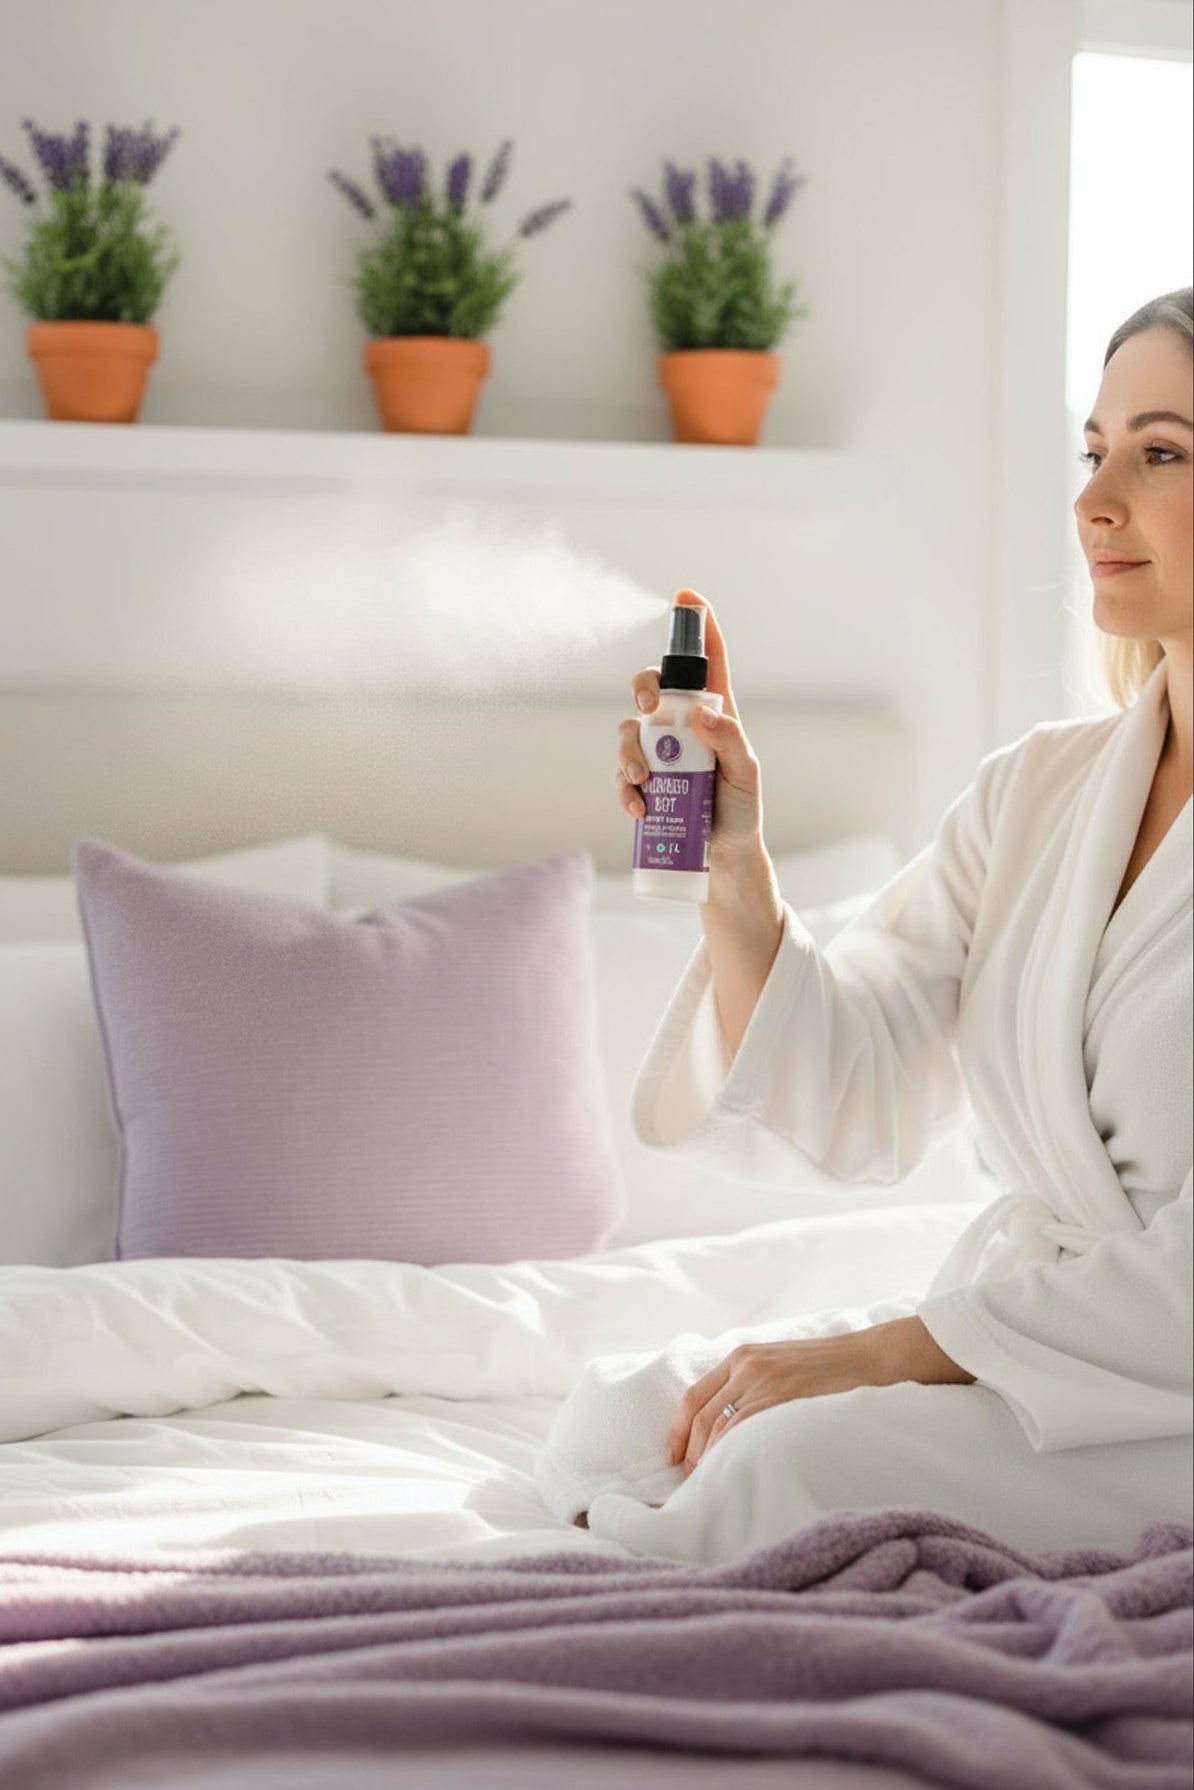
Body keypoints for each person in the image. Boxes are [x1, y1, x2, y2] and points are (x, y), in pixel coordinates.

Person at [535, 287, 1193, 1561]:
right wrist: (735, 861)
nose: (1094, 499)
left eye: (1159, 451)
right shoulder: (1041, 790)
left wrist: (878, 1354)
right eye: (1093, 449)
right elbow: (860, 1076)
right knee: (635, 1410)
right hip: (1034, 1338)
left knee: (782, 1458)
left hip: (1165, 1380)